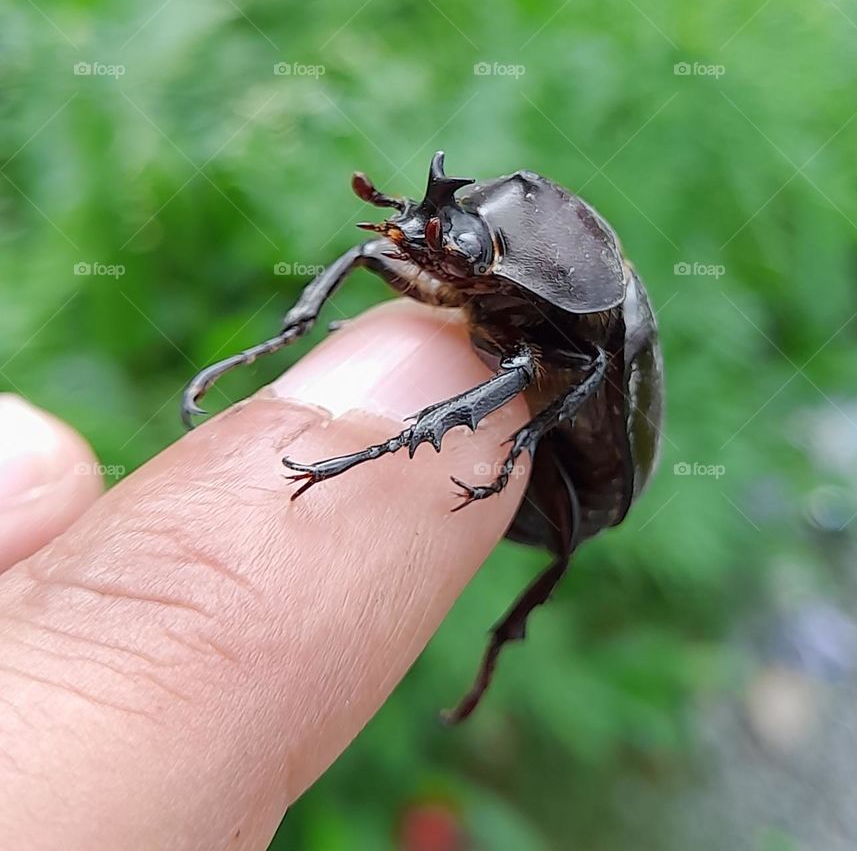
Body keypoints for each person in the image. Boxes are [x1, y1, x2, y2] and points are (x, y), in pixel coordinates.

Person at [0, 301, 530, 850]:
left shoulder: (566, 331)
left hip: (550, 447)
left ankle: (406, 442)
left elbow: (553, 369)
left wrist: (415, 439)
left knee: (522, 378)